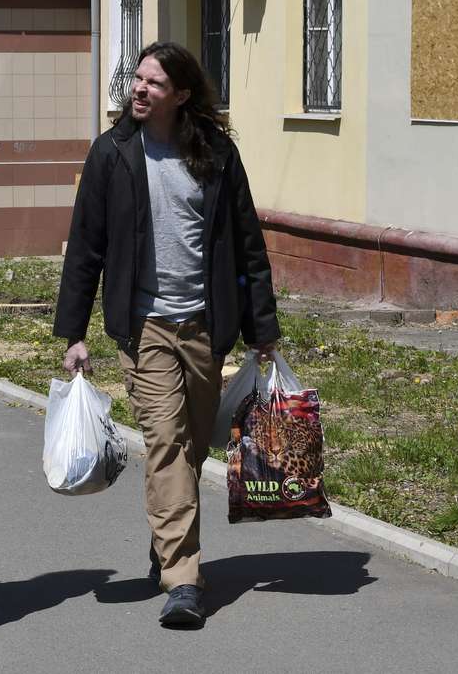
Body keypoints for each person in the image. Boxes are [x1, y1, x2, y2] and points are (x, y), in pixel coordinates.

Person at [53, 42, 281, 629]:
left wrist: (261, 330)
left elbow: (248, 245)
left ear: (180, 95)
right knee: (166, 442)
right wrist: (72, 331)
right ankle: (183, 580)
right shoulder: (113, 153)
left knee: (194, 443)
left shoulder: (217, 154)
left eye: (153, 83)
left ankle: (164, 544)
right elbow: (86, 246)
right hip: (145, 326)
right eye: (136, 78)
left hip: (206, 326)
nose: (138, 89)